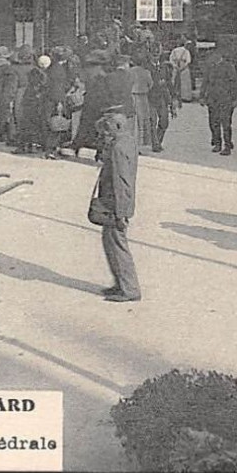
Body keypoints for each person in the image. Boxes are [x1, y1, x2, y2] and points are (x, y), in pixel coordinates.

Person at [91, 110, 141, 303]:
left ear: (118, 127)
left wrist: (121, 213)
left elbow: (121, 181)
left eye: (108, 131)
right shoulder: (126, 142)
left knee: (118, 245)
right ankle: (120, 283)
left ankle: (130, 289)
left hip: (115, 205)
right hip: (114, 204)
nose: (105, 135)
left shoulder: (119, 148)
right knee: (110, 242)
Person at [200, 48, 237, 156]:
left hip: (226, 99)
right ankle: (217, 143)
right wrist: (202, 96)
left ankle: (227, 145)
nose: (211, 58)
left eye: (213, 55)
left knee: (225, 123)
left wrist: (235, 99)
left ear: (219, 55)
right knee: (213, 122)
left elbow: (234, 83)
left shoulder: (228, 67)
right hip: (212, 99)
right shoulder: (210, 67)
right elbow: (205, 82)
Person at [13, 51, 48, 154]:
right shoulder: (41, 73)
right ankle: (32, 146)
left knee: (24, 123)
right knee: (34, 124)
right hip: (37, 100)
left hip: (27, 98)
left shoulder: (27, 71)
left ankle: (22, 145)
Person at [130, 52, 154, 150]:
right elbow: (151, 84)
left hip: (132, 95)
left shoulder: (130, 71)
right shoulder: (146, 72)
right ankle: (142, 141)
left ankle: (133, 140)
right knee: (143, 119)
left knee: (133, 119)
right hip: (143, 96)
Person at [169, 37, 193, 103]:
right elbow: (188, 61)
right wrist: (183, 67)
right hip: (184, 67)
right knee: (185, 82)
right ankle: (185, 97)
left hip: (176, 67)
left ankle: (174, 95)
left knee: (175, 81)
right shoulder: (186, 51)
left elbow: (171, 59)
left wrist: (175, 66)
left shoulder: (174, 50)